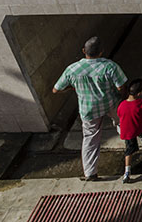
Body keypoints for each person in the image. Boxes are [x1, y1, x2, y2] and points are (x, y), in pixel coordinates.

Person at [53, 36, 127, 181]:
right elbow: (121, 87)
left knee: (90, 139)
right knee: (122, 123)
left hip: (88, 110)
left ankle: (90, 173)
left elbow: (56, 89)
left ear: (83, 51)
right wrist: (122, 98)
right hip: (110, 103)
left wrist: (73, 87)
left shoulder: (72, 69)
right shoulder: (109, 66)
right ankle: (130, 143)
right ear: (101, 52)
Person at [117, 78, 142, 184]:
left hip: (127, 132)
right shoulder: (141, 103)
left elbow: (119, 114)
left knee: (129, 151)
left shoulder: (122, 104)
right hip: (139, 127)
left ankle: (127, 172)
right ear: (139, 93)